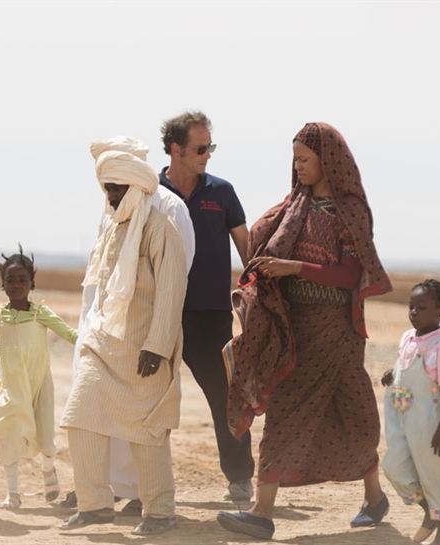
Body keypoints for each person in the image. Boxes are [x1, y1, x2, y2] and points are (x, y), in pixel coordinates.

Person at [218, 122, 392, 540]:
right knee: (286, 411)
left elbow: (351, 273)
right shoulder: (291, 208)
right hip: (295, 329)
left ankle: (373, 496)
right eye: (294, 160)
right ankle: (262, 512)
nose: (297, 168)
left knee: (349, 412)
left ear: (328, 161)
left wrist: (294, 267)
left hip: (336, 331)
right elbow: (260, 242)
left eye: (305, 160)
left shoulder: (349, 213)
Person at [59, 136, 187, 536]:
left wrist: (157, 346)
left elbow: (171, 292)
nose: (112, 196)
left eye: (118, 189)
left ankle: (160, 512)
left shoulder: (160, 228)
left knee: (146, 433)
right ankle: (95, 505)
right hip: (105, 344)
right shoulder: (115, 228)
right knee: (80, 418)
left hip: (144, 349)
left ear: (136, 187)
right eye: (108, 189)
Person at [157, 111, 254, 502]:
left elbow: (247, 249)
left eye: (210, 147)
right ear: (175, 149)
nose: (208, 155)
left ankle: (240, 476)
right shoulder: (150, 191)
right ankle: (137, 485)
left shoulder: (222, 192)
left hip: (211, 316)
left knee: (225, 397)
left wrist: (261, 294)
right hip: (159, 313)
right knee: (143, 398)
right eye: (201, 148)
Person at [0, 246, 77, 510]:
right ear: (2, 285)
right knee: (7, 431)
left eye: (22, 280)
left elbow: (71, 334)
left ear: (32, 284)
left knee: (45, 436)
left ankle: (49, 470)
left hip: (37, 384)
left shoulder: (41, 314)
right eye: (10, 280)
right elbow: (1, 345)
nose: (16, 285)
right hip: (11, 385)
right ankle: (12, 494)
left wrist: (94, 344)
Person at [380, 280, 440, 545]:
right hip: (400, 415)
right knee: (394, 466)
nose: (414, 312)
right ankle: (429, 511)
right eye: (411, 306)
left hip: (429, 423)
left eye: (421, 307)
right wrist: (392, 373)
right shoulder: (407, 337)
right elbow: (405, 369)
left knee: (433, 475)